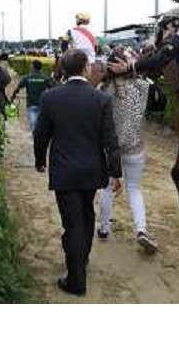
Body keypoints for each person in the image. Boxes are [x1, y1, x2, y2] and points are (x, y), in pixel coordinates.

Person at [33, 49, 122, 296]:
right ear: (84, 69)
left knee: (73, 222)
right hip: (92, 170)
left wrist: (40, 160)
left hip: (63, 170)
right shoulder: (100, 99)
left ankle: (76, 280)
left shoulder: (50, 97)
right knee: (86, 215)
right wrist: (116, 172)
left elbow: (41, 135)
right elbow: (110, 139)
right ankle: (80, 261)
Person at [98, 47, 157, 252]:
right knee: (134, 189)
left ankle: (104, 228)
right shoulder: (143, 86)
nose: (135, 60)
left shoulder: (103, 89)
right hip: (135, 145)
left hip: (110, 146)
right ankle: (141, 229)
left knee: (106, 187)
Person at [11, 59, 54, 132]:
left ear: (33, 67)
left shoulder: (27, 78)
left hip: (31, 104)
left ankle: (36, 138)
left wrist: (13, 97)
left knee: (33, 124)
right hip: (42, 105)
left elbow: (18, 88)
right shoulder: (45, 78)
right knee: (40, 124)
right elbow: (53, 89)